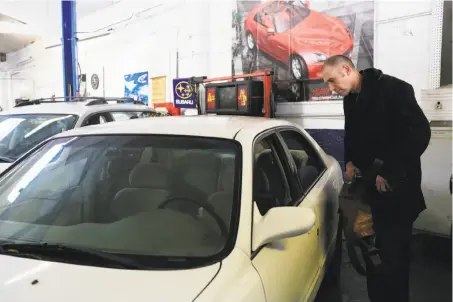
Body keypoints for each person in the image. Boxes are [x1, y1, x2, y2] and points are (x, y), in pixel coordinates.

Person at [320, 55, 431, 302]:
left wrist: (389, 171)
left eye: (331, 81)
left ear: (347, 69)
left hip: (396, 192)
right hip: (369, 194)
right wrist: (349, 159)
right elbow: (352, 134)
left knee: (395, 260)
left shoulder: (394, 89)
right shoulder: (350, 99)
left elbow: (419, 133)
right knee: (374, 256)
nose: (330, 88)